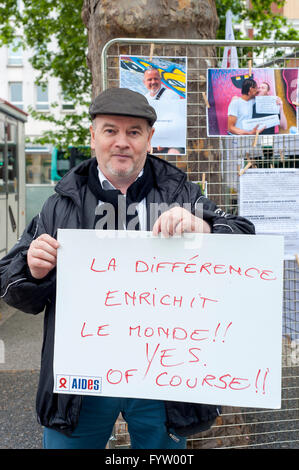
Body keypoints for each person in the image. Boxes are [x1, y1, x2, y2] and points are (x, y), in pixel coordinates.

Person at [0, 88, 255, 450]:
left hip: (161, 378)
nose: (122, 142)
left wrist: (206, 227)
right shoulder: (59, 204)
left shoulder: (181, 194)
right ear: (93, 136)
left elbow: (245, 237)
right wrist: (32, 270)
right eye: (110, 131)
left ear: (149, 138)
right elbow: (12, 285)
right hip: (80, 382)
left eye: (133, 132)